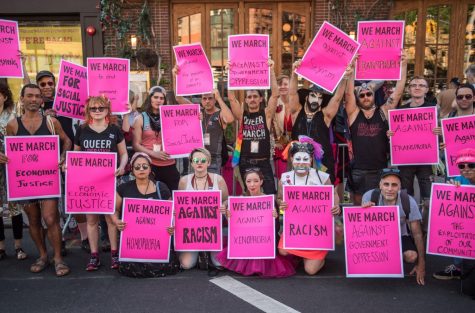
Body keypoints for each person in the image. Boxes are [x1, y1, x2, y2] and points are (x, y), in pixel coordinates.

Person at [6, 84, 72, 277]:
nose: (34, 99)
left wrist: (63, 155)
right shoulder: (13, 125)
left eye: (37, 96)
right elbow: (8, 150)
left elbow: (66, 140)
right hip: (25, 182)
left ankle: (58, 258)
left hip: (48, 178)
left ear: (42, 100)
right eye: (30, 96)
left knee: (50, 218)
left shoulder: (51, 122)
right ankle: (43, 256)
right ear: (23, 99)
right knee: (33, 220)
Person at [73, 95, 128, 271]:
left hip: (109, 181)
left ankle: (114, 254)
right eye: (93, 108)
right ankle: (94, 255)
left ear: (107, 110)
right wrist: (70, 166)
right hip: (89, 182)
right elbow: (76, 156)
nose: (97, 111)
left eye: (101, 108)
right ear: (88, 111)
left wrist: (121, 166)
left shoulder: (114, 129)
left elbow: (124, 153)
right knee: (91, 219)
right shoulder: (81, 130)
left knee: (111, 218)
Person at [344, 52, 408, 205]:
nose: (366, 97)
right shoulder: (353, 112)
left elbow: (398, 92)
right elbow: (348, 94)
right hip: (358, 169)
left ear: (374, 95)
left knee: (379, 203)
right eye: (362, 95)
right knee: (359, 204)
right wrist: (351, 70)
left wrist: (404, 66)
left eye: (369, 94)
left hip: (379, 168)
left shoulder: (383, 111)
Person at [277, 137, 341, 275]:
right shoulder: (285, 178)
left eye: (305, 159)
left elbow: (333, 194)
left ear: (311, 160)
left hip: (317, 232)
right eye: (297, 159)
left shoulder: (322, 177)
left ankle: (320, 255)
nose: (301, 163)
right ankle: (301, 255)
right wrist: (281, 203)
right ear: (292, 159)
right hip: (297, 229)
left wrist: (336, 206)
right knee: (282, 250)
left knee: (310, 271)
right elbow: (279, 198)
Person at [216, 168, 295, 278]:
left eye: (256, 181)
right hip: (247, 240)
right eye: (249, 181)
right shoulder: (239, 200)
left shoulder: (269, 200)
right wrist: (229, 216)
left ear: (261, 182)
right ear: (245, 183)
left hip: (263, 241)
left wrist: (275, 217)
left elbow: (275, 228)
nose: (252, 184)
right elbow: (235, 228)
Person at [113, 152, 180, 277]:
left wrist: (172, 226)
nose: (141, 169)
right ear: (132, 170)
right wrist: (117, 221)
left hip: (158, 240)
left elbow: (172, 212)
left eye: (145, 166)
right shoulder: (123, 188)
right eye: (137, 167)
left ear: (150, 169)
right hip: (134, 241)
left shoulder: (161, 187)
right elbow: (114, 210)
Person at [289, 60, 351, 183]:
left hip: (322, 163)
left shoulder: (325, 115)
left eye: (320, 98)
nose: (316, 100)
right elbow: (292, 94)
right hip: (299, 162)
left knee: (324, 193)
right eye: (313, 96)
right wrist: (294, 73)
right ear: (306, 97)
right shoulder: (296, 111)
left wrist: (344, 78)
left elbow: (337, 98)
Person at [362, 168, 426, 285]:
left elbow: (417, 234)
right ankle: (383, 258)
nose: (390, 189)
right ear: (380, 185)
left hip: (399, 236)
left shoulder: (408, 201)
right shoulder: (369, 196)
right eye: (386, 184)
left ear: (400, 187)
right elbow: (360, 230)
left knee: (411, 256)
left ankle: (391, 258)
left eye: (394, 185)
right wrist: (365, 213)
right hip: (376, 238)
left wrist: (421, 264)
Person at [229, 60, 278, 194]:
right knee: (249, 196)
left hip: (264, 162)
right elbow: (232, 99)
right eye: (249, 97)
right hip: (246, 162)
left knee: (270, 195)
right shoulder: (241, 115)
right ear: (245, 100)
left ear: (261, 99)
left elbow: (275, 95)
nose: (252, 99)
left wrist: (271, 71)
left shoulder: (266, 115)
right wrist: (230, 73)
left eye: (255, 96)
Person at [176, 148, 228, 273]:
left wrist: (224, 206)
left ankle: (208, 252)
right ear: (192, 163)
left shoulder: (218, 179)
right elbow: (179, 204)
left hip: (213, 231)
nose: (200, 163)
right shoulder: (184, 181)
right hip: (192, 233)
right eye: (196, 160)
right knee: (186, 264)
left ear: (208, 163)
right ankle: (198, 252)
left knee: (219, 264)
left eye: (203, 160)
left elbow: (226, 200)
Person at [390, 76, 440, 204]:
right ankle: (410, 222)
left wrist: (440, 132)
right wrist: (391, 134)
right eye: (413, 85)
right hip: (406, 160)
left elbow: (442, 134)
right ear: (408, 89)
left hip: (426, 160)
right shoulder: (400, 111)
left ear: (427, 89)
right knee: (406, 197)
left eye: (421, 85)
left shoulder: (434, 109)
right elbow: (395, 134)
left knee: (429, 198)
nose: (417, 87)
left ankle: (427, 222)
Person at [433, 148, 475, 280]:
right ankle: (458, 268)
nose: (466, 168)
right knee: (455, 227)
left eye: (471, 165)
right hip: (467, 223)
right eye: (462, 165)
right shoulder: (458, 180)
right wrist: (450, 189)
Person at [133, 86, 180, 191]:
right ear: (150, 98)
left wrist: (196, 116)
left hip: (169, 164)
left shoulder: (172, 116)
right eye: (155, 97)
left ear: (164, 101)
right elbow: (136, 145)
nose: (158, 100)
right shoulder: (141, 118)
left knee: (172, 196)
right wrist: (153, 153)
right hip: (149, 164)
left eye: (161, 98)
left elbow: (186, 125)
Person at [0, 83, 27, 261]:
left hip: (12, 166)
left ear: (4, 96)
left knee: (15, 207)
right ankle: (1, 247)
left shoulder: (13, 115)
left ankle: (18, 246)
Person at [272, 74, 292, 178]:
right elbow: (272, 123)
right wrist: (275, 141)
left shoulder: (296, 101)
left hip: (297, 145)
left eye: (285, 84)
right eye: (280, 84)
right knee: (283, 177)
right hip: (282, 146)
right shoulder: (274, 103)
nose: (283, 86)